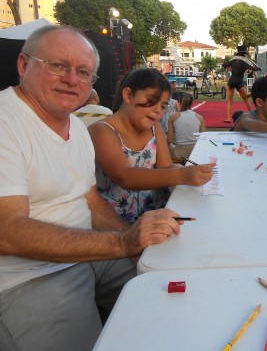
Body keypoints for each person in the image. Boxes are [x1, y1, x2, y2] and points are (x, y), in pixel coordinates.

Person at [0, 25, 184, 351]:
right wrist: (122, 243)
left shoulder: (77, 128)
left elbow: (90, 201)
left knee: (175, 295)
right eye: (57, 65)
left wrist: (134, 241)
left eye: (83, 72)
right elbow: (7, 231)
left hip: (91, 254)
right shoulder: (6, 122)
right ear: (23, 65)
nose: (72, 79)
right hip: (27, 277)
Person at [89, 68, 213, 224]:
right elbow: (125, 176)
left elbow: (165, 167)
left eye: (162, 106)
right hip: (120, 223)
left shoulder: (155, 128)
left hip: (158, 212)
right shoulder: (102, 130)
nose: (157, 110)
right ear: (128, 95)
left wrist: (194, 172)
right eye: (151, 100)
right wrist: (183, 175)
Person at [222, 45, 261, 123]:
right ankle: (253, 116)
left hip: (231, 81)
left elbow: (224, 65)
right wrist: (258, 68)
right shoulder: (244, 61)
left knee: (230, 101)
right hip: (239, 82)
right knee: (246, 99)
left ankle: (229, 118)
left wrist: (228, 66)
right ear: (244, 54)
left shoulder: (233, 60)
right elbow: (252, 68)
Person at [167, 92, 205, 163]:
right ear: (192, 103)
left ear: (179, 102)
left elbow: (168, 140)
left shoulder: (173, 117)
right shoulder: (200, 117)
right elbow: (203, 138)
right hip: (194, 153)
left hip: (179, 154)